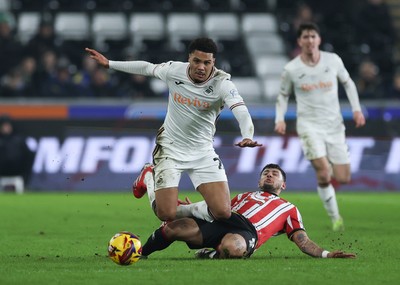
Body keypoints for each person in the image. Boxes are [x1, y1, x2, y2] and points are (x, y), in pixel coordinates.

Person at [85, 38, 261, 222]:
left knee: (222, 213)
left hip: (203, 152)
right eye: (197, 61)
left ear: (213, 62)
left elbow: (241, 110)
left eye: (207, 62)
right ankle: (148, 177)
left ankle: (188, 208)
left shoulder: (222, 84)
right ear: (189, 59)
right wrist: (110, 64)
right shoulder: (174, 71)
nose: (201, 67)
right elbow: (146, 68)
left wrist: (247, 135)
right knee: (166, 214)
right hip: (170, 148)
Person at [140, 163, 357, 259]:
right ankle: (140, 253)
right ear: (260, 179)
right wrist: (197, 210)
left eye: (274, 174)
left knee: (234, 247)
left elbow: (302, 239)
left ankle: (212, 254)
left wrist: (326, 254)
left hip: (247, 231)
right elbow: (221, 211)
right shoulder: (244, 196)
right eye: (265, 173)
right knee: (175, 228)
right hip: (225, 221)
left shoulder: (289, 208)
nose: (269, 175)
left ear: (283, 185)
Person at [274, 22, 366, 231]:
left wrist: (357, 109)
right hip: (309, 125)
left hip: (334, 125)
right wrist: (279, 118)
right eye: (305, 37)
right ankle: (336, 218)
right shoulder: (292, 68)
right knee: (324, 173)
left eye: (313, 36)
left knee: (343, 177)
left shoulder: (332, 60)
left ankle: (326, 162)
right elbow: (283, 95)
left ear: (319, 39)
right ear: (300, 41)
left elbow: (348, 83)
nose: (309, 40)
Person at [0, 115, 35, 187]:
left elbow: (28, 158)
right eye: (3, 126)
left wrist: (25, 176)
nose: (5, 128)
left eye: (7, 125)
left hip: (17, 176)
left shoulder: (19, 140)